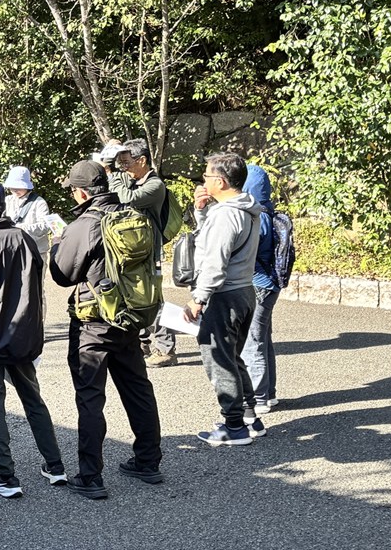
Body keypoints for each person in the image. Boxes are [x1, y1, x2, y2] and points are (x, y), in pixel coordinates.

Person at [50, 161, 164, 499]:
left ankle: (90, 476)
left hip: (94, 321)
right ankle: (148, 460)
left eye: (73, 189)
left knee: (90, 397)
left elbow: (62, 275)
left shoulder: (84, 225)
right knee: (138, 389)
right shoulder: (132, 215)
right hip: (129, 316)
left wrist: (58, 245)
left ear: (82, 192)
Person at [0, 179, 67, 498]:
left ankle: (6, 476)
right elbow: (37, 291)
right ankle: (55, 466)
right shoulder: (25, 239)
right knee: (34, 401)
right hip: (23, 337)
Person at [182, 152, 263, 446]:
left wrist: (198, 299)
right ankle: (250, 417)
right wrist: (202, 211)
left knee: (218, 359)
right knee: (232, 357)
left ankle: (234, 427)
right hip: (243, 291)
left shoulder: (227, 214)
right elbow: (213, 241)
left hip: (224, 295)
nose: (203, 181)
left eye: (206, 176)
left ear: (220, 180)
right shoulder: (244, 209)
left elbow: (215, 261)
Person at [103, 140, 179, 368]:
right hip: (129, 250)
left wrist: (112, 173)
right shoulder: (131, 178)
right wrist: (110, 155)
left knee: (153, 298)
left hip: (148, 252)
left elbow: (125, 197)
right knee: (133, 296)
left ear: (142, 160)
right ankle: (143, 344)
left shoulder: (155, 186)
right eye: (121, 163)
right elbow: (112, 185)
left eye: (126, 162)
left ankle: (166, 348)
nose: (122, 167)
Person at [240, 163, 281, 412]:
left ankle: (259, 396)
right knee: (264, 338)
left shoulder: (257, 217)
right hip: (270, 284)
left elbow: (248, 254)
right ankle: (270, 392)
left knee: (252, 341)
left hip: (257, 284)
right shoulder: (269, 211)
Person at [2, 166, 55, 267]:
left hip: (36, 252)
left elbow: (45, 226)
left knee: (36, 282)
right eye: (12, 188)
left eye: (18, 187)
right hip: (15, 251)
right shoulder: (8, 200)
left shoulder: (39, 202)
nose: (15, 190)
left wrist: (22, 228)